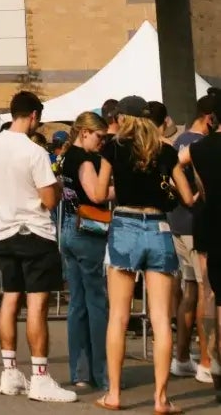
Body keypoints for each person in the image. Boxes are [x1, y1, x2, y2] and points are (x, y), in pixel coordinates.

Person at [92, 95, 195, 413]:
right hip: (159, 229)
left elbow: (97, 194)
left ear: (124, 118)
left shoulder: (114, 147)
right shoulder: (166, 150)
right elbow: (187, 197)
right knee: (162, 319)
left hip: (124, 226)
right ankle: (161, 399)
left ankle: (114, 394)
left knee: (118, 317)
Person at [0, 91, 75, 402]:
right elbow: (48, 199)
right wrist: (57, 188)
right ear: (33, 115)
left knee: (9, 298)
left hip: (4, 230)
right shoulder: (34, 152)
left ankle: (9, 371)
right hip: (35, 231)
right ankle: (40, 377)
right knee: (36, 305)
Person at [57, 110, 110, 393]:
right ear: (85, 132)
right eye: (99, 136)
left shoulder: (66, 157)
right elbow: (96, 194)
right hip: (87, 231)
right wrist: (121, 188)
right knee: (97, 304)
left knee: (77, 305)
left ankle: (80, 372)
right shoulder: (86, 160)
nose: (101, 142)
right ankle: (102, 374)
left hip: (68, 227)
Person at [169, 92, 217, 382]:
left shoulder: (180, 141)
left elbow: (172, 166)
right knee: (205, 292)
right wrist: (194, 195)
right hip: (195, 223)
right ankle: (207, 361)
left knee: (190, 291)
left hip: (179, 223)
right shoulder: (201, 144)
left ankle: (183, 356)